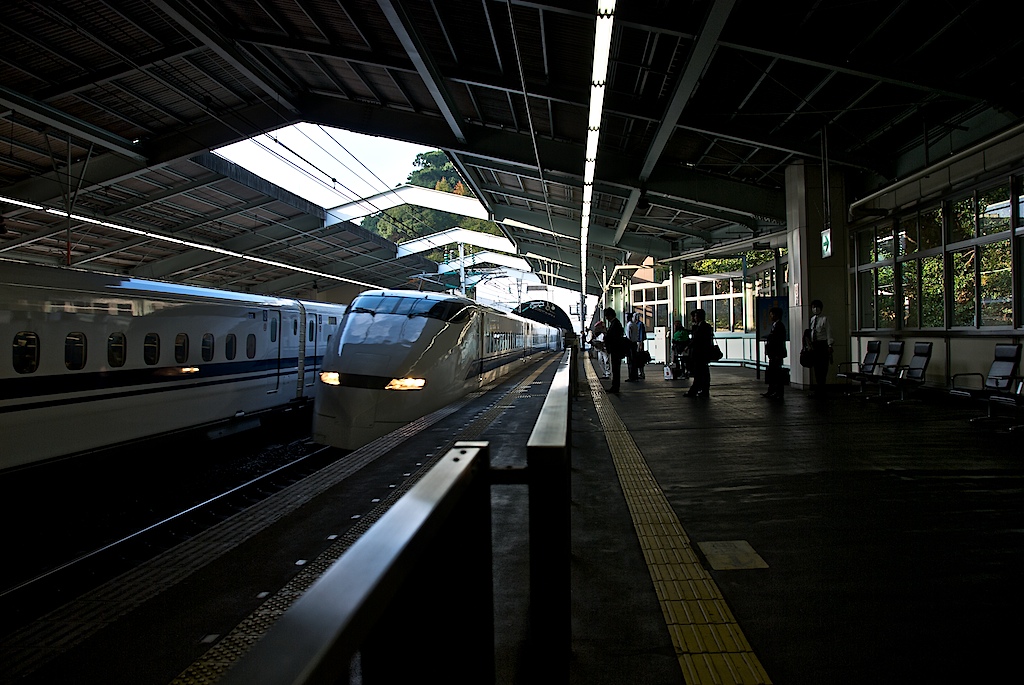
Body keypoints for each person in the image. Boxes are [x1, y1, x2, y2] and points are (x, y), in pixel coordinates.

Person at [685, 308, 713, 398]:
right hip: (703, 353)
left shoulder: (701, 327)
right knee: (703, 372)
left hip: (700, 354)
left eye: (695, 316)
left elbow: (696, 340)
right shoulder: (706, 326)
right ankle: (702, 390)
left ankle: (695, 391)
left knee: (699, 372)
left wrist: (688, 347)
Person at [807, 299, 834, 393]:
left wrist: (829, 345)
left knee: (823, 367)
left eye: (817, 307)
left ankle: (822, 387)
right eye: (813, 307)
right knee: (816, 367)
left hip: (822, 345)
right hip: (814, 345)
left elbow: (828, 332)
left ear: (821, 308)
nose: (815, 309)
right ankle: (818, 387)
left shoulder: (825, 319)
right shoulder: (812, 319)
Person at [762, 306, 787, 400]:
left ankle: (778, 392)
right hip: (774, 354)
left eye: (772, 315)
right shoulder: (775, 325)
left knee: (777, 373)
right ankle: (772, 390)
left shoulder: (779, 326)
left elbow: (778, 341)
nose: (770, 316)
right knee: (773, 372)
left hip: (777, 354)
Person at [603, 308, 625, 394]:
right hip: (616, 349)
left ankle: (615, 387)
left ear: (610, 315)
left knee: (616, 369)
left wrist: (606, 336)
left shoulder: (615, 324)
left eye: (607, 316)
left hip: (616, 349)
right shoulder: (616, 323)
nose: (606, 318)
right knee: (615, 369)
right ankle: (615, 386)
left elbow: (613, 337)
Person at [624, 313, 641, 381]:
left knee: (630, 361)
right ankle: (635, 376)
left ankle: (631, 376)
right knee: (634, 360)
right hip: (635, 343)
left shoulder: (629, 325)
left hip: (630, 344)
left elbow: (628, 336)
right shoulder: (635, 325)